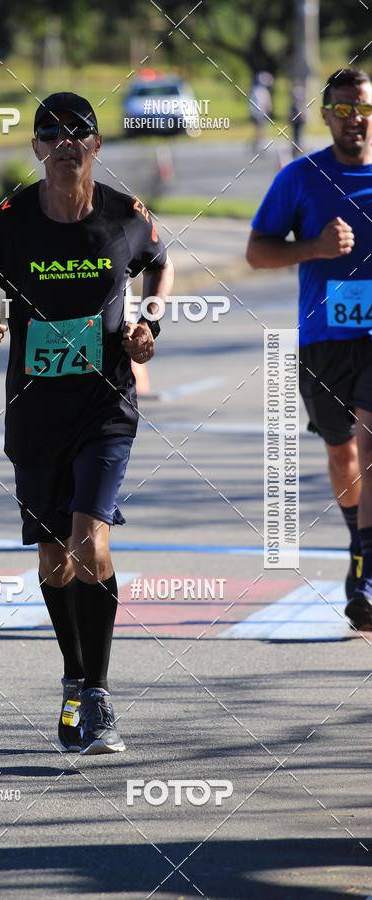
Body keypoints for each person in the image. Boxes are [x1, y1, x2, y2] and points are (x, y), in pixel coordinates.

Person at [0, 92, 174, 753]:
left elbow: (161, 264)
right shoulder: (11, 222)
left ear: (96, 147)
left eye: (80, 132)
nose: (66, 141)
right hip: (35, 410)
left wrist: (148, 324)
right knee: (53, 557)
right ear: (37, 148)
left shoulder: (123, 215)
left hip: (105, 404)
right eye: (52, 132)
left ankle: (98, 696)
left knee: (87, 541)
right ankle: (74, 679)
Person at [246, 67, 372, 631]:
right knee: (343, 455)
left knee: (368, 445)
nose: (356, 119)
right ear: (326, 115)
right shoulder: (301, 177)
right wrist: (314, 248)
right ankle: (359, 543)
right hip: (324, 341)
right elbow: (256, 253)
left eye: (363, 107)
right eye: (343, 110)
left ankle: (368, 570)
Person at [248, 71, 274, 152]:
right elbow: (259, 103)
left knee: (261, 130)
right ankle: (257, 144)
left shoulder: (260, 90)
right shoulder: (258, 90)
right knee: (260, 130)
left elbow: (267, 103)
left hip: (262, 113)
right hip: (259, 113)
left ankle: (258, 143)